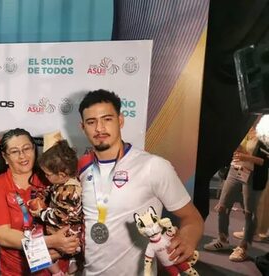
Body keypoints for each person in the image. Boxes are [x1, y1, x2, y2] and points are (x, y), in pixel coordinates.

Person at [77, 89, 203, 275]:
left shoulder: (153, 166)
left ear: (120, 120)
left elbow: (193, 218)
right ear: (83, 127)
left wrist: (187, 239)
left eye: (107, 119)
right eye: (91, 122)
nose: (99, 128)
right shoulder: (81, 167)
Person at [0, 128, 79, 275]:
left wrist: (66, 247)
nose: (23, 156)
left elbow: (75, 213)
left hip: (59, 270)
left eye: (27, 148)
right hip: (16, 271)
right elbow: (3, 236)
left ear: (35, 149)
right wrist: (53, 241)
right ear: (5, 157)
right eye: (15, 151)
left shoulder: (51, 177)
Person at [204, 121, 269, 261]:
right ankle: (222, 240)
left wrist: (247, 157)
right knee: (222, 206)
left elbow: (265, 161)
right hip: (235, 170)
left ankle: (243, 248)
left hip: (252, 175)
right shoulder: (241, 127)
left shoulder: (264, 132)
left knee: (249, 213)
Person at [30, 131, 84, 275]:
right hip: (64, 231)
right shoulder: (63, 182)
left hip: (68, 234)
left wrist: (41, 213)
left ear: (61, 175)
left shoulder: (69, 191)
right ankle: (72, 262)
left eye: (47, 174)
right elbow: (51, 189)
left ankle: (58, 272)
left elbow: (60, 216)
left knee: (39, 252)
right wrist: (42, 194)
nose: (45, 177)